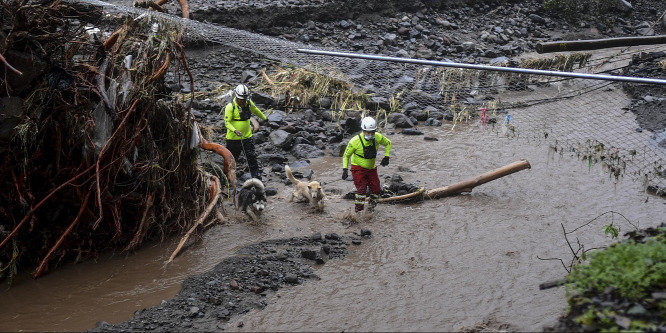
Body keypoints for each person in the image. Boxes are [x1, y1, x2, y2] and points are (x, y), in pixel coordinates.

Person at [342, 116, 392, 213]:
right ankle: (358, 212)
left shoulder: (378, 137)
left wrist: (386, 157)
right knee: (361, 190)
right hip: (357, 169)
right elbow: (346, 156)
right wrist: (345, 169)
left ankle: (371, 208)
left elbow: (388, 143)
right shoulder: (354, 141)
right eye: (368, 132)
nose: (370, 134)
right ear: (363, 131)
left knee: (376, 189)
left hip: (371, 169)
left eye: (372, 132)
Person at [224, 84, 268, 180]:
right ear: (236, 96)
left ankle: (256, 176)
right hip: (233, 139)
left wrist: (265, 119)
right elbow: (227, 123)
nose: (242, 102)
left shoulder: (248, 103)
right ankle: (228, 177)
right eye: (240, 100)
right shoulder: (230, 107)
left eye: (244, 99)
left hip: (247, 137)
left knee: (251, 156)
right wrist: (234, 130)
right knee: (232, 159)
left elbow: (256, 110)